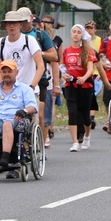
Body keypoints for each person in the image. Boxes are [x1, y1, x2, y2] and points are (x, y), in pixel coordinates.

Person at [0, 59, 38, 179]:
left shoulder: (25, 89)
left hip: (17, 119)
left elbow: (33, 107)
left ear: (16, 72)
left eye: (9, 71)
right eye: (3, 71)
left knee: (7, 124)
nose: (6, 74)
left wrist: (24, 111)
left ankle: (4, 158)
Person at [19, 7, 59, 147]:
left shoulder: (40, 35)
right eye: (21, 21)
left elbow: (54, 56)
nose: (23, 24)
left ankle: (39, 147)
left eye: (25, 20)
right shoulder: (14, 35)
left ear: (31, 19)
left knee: (39, 116)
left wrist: (38, 53)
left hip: (40, 80)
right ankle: (24, 146)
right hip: (20, 80)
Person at [60, 24, 97, 152]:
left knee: (85, 115)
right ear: (71, 34)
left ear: (82, 35)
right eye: (74, 32)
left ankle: (87, 135)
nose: (75, 34)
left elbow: (91, 68)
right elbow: (63, 66)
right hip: (70, 85)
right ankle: (75, 142)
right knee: (72, 112)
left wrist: (85, 77)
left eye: (78, 32)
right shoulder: (66, 51)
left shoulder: (87, 51)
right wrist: (64, 74)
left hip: (85, 85)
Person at [0, 11, 45, 90]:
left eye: (15, 23)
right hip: (7, 91)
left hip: (28, 90)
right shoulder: (0, 43)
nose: (12, 26)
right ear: (5, 26)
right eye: (9, 23)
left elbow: (41, 66)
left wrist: (31, 87)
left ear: (20, 25)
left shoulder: (30, 40)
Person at [42, 14, 63, 145]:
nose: (45, 25)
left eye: (48, 23)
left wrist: (57, 83)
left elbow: (57, 60)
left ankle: (48, 129)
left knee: (49, 105)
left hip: (48, 76)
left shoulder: (56, 40)